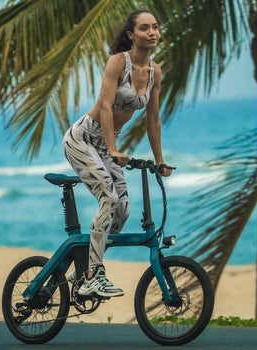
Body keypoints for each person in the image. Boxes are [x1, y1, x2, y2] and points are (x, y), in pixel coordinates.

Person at [62, 9, 172, 298]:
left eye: (155, 27)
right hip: (83, 139)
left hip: (107, 145)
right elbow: (107, 106)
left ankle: (85, 269)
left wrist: (159, 160)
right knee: (108, 197)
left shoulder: (154, 72)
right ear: (130, 35)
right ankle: (94, 276)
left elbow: (153, 119)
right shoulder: (117, 63)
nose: (152, 32)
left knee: (122, 210)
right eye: (145, 28)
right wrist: (112, 148)